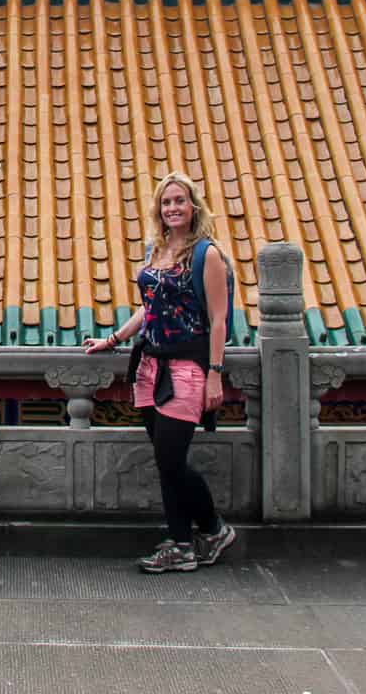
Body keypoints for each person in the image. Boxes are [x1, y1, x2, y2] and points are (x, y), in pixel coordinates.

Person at [83, 171, 237, 573]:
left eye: (179, 201)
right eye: (166, 202)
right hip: (151, 363)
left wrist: (215, 373)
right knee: (164, 458)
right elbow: (148, 307)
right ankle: (191, 539)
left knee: (171, 459)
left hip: (188, 367)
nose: (173, 208)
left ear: (193, 207)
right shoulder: (157, 250)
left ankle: (202, 532)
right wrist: (113, 339)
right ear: (159, 209)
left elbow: (218, 320)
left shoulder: (208, 254)